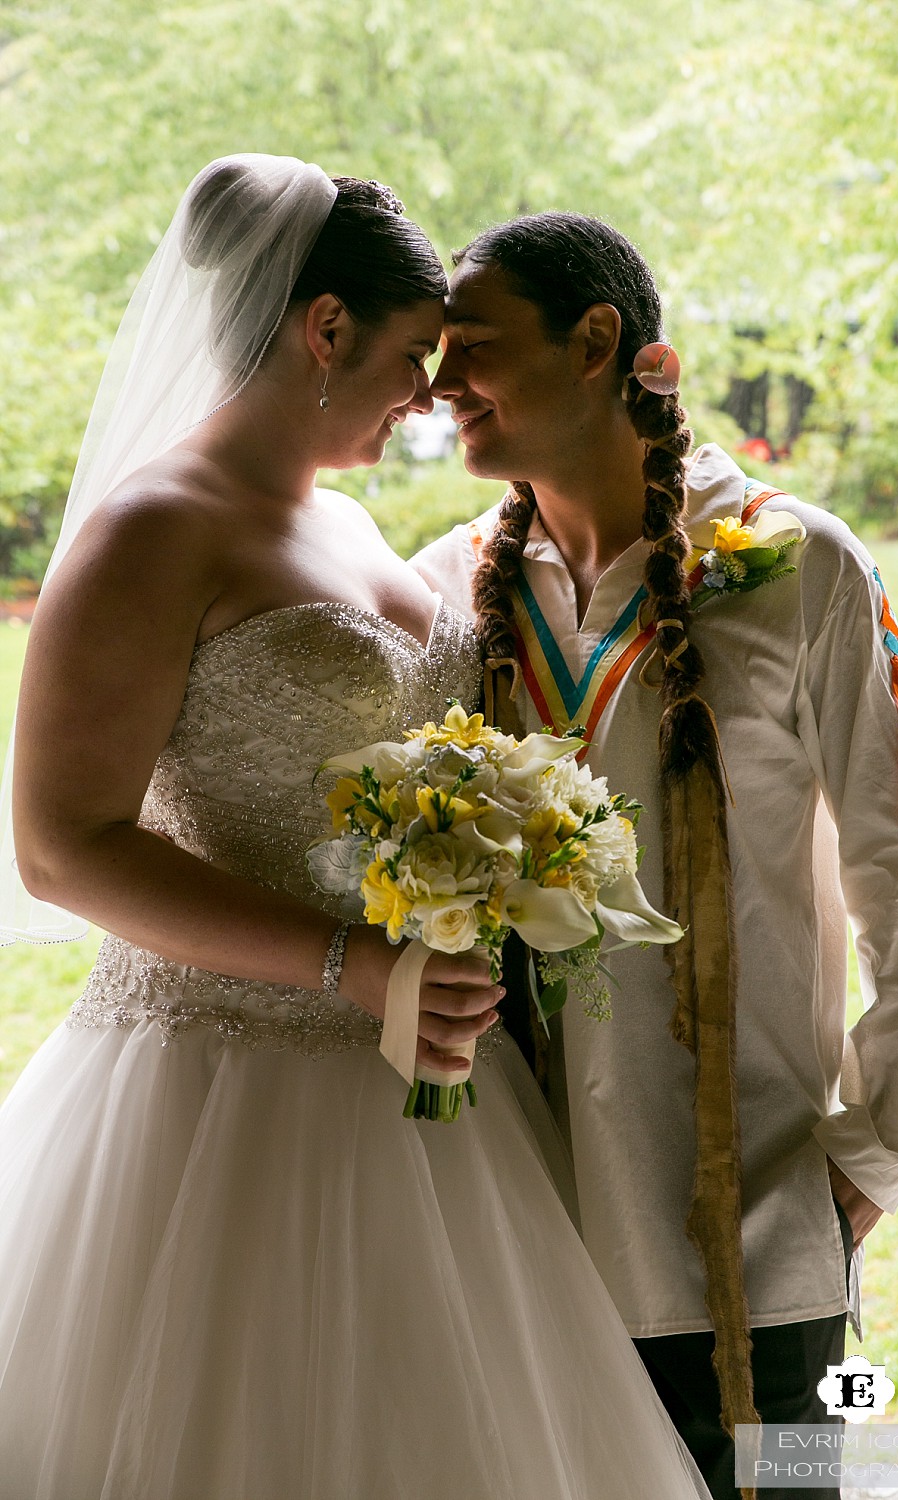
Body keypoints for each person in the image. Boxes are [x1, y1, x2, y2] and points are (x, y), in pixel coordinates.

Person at [0, 161, 711, 1500]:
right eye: (407, 353)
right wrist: (358, 967)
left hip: (435, 1090)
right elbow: (64, 845)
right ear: (322, 330)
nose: (431, 394)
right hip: (215, 1099)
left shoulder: (351, 520)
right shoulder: (149, 533)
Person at [411, 212, 898, 1500]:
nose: (439, 390)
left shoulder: (803, 563)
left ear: (598, 342)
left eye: (474, 349)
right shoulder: (449, 584)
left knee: (801, 1482)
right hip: (525, 1218)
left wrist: (875, 1148)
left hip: (768, 1236)